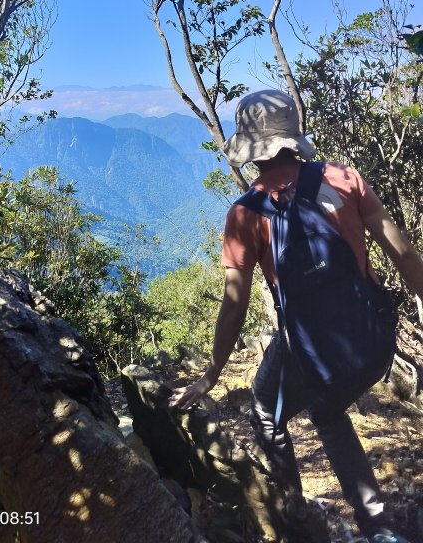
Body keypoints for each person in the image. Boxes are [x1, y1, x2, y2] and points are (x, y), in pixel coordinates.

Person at [169, 89, 423, 543]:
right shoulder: (344, 178)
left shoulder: (246, 213)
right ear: (292, 136)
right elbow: (402, 252)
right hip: (370, 342)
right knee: (327, 412)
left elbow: (234, 301)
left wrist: (211, 374)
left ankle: (295, 523)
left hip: (314, 352)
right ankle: (378, 526)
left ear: (250, 148)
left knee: (265, 411)